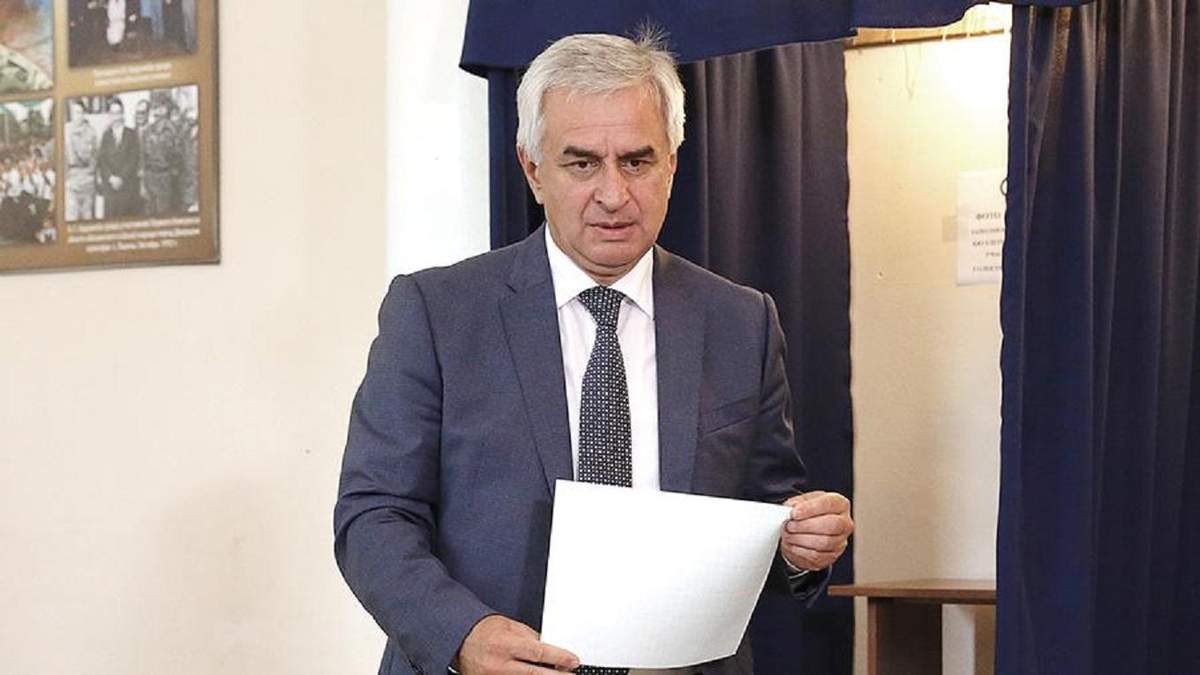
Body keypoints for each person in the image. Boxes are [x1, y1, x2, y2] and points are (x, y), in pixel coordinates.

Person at [334, 33, 854, 675]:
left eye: (637, 161)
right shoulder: (436, 312)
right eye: (582, 164)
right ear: (533, 170)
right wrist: (461, 635)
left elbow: (764, 514)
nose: (613, 193)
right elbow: (373, 516)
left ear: (672, 164)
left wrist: (800, 544)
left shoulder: (740, 321)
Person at [97, 98, 140, 218]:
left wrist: (121, 178)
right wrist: (111, 178)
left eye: (118, 113)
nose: (115, 117)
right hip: (110, 190)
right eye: (113, 113)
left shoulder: (131, 134)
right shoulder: (106, 136)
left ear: (122, 114)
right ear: (109, 116)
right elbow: (102, 160)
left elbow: (133, 159)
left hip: (127, 188)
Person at [140, 92, 180, 215]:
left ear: (165, 109)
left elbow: (177, 155)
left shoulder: (172, 130)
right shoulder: (147, 130)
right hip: (149, 176)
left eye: (159, 107)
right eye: (154, 107)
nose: (156, 111)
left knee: (163, 213)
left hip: (165, 177)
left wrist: (171, 173)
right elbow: (142, 156)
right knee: (149, 213)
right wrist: (143, 181)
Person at [64, 99, 98, 221]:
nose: (77, 116)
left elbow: (94, 155)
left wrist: (91, 173)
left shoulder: (91, 132)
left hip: (87, 179)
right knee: (71, 217)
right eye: (75, 112)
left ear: (84, 114)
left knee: (87, 217)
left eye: (80, 112)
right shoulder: (65, 130)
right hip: (70, 180)